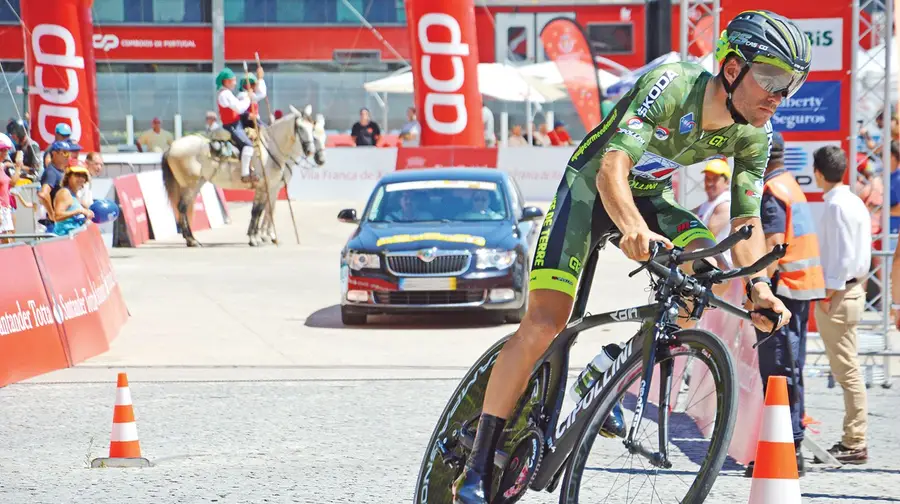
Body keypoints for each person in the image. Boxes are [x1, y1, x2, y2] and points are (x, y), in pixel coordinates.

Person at [453, 10, 810, 503]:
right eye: (770, 77)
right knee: (545, 322)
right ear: (731, 68)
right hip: (590, 190)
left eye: (790, 83)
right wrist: (633, 228)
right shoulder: (673, 84)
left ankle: (618, 363)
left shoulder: (753, 132)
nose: (779, 94)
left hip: (648, 197)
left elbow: (745, 224)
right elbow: (611, 168)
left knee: (701, 265)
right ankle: (477, 462)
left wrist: (760, 287)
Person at [742, 131, 825, 477]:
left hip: (782, 294)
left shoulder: (772, 192)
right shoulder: (790, 183)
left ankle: (786, 450)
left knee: (778, 372)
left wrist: (759, 289)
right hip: (800, 290)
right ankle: (790, 446)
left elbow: (774, 246)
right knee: (791, 369)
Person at [811, 145, 871, 465]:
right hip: (852, 289)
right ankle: (854, 438)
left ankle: (855, 441)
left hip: (840, 293)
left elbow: (841, 257)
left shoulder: (835, 205)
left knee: (847, 371)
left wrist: (829, 295)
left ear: (818, 173)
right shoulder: (853, 201)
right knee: (848, 369)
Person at [215, 68, 257, 184]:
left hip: (236, 124)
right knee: (248, 145)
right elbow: (239, 108)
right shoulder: (225, 94)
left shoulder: (227, 93)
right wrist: (248, 98)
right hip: (232, 125)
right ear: (227, 81)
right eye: (233, 80)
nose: (235, 82)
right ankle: (245, 174)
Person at [693, 157, 733, 266]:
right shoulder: (709, 203)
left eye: (714, 179)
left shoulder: (725, 203)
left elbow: (706, 237)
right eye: (707, 178)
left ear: (726, 181)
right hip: (708, 264)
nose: (709, 183)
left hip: (722, 268)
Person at [51, 160, 94, 236]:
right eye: (77, 175)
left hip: (74, 240)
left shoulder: (75, 195)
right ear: (68, 176)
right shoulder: (64, 193)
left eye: (83, 175)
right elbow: (57, 216)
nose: (81, 178)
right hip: (63, 239)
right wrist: (78, 211)